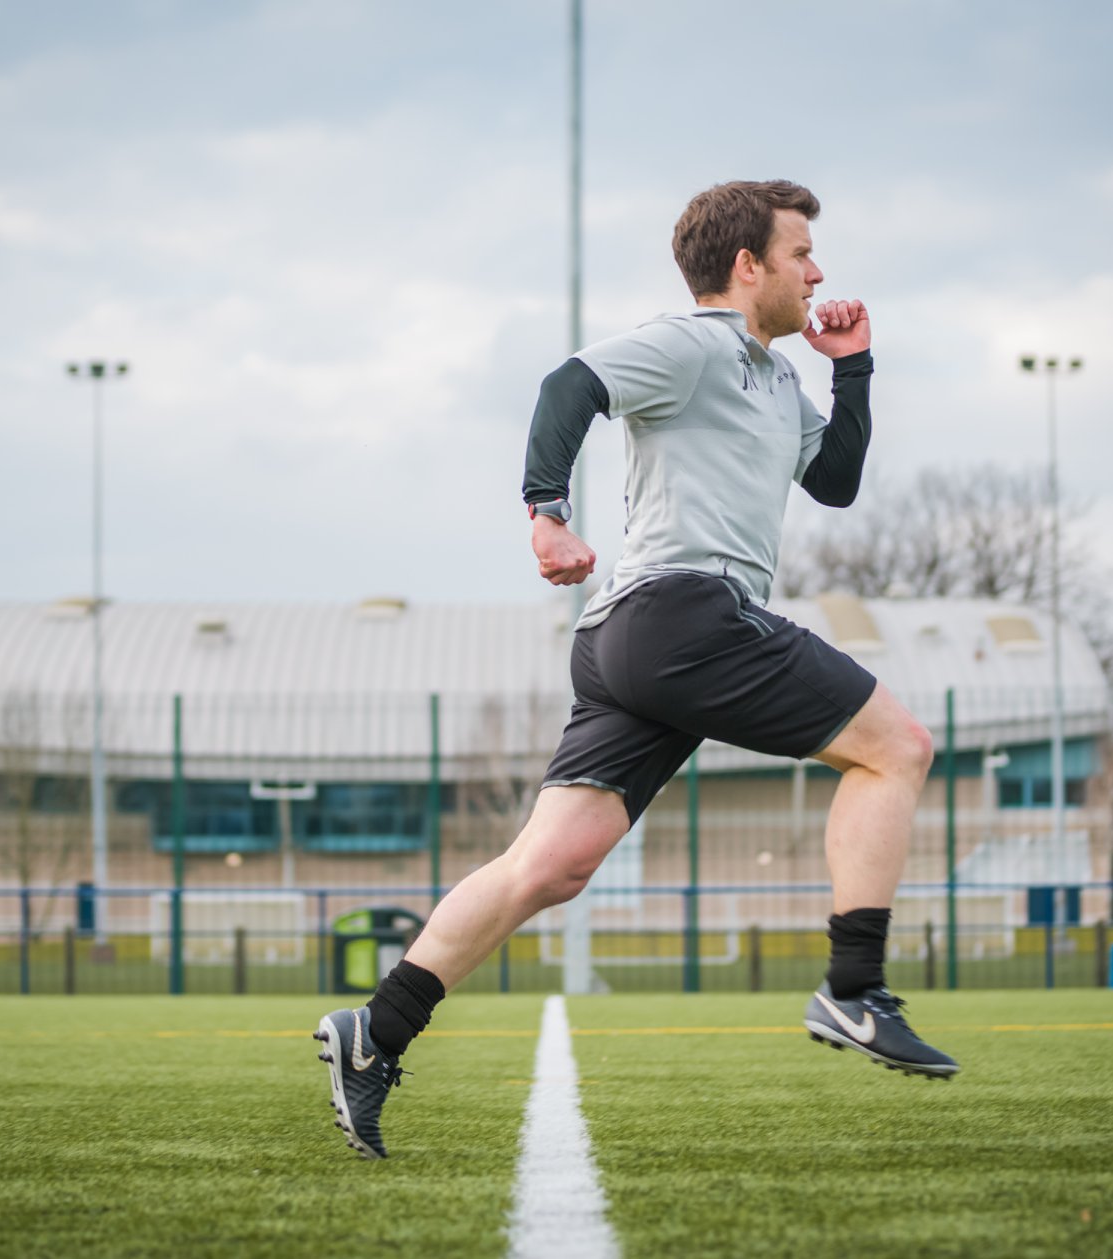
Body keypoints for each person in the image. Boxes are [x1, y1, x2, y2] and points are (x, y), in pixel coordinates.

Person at [313, 179, 957, 1160]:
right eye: (798, 254)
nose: (816, 271)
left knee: (550, 864)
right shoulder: (693, 344)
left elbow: (831, 483)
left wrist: (852, 366)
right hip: (682, 614)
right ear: (747, 266)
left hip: (632, 641)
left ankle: (377, 1030)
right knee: (896, 747)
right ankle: (853, 988)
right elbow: (566, 385)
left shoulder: (777, 381)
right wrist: (544, 509)